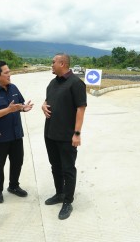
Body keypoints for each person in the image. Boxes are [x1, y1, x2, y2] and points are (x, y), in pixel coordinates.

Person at [41, 53, 87, 220]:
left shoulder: (76, 83)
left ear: (62, 63)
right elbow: (48, 101)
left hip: (67, 136)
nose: (51, 64)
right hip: (50, 134)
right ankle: (59, 193)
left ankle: (68, 201)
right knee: (55, 167)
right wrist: (43, 105)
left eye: (53, 62)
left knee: (68, 169)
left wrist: (77, 134)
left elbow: (80, 109)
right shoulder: (52, 83)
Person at [0, 60, 33, 204]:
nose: (10, 75)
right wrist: (8, 110)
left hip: (16, 134)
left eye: (9, 72)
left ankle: (14, 186)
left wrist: (23, 108)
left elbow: (19, 105)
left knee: (18, 161)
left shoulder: (13, 88)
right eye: (6, 72)